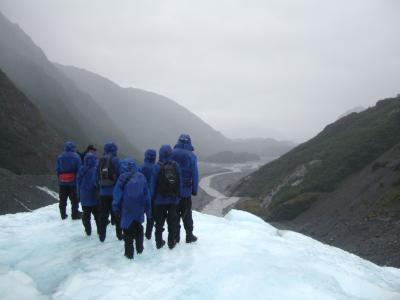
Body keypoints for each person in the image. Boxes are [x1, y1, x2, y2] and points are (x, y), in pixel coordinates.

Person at [113, 158, 151, 260]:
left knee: (128, 231)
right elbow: (147, 195)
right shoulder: (141, 177)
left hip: (126, 208)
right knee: (138, 227)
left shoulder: (122, 178)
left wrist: (115, 207)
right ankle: (140, 249)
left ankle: (129, 254)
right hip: (139, 207)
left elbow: (117, 195)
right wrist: (148, 211)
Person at [150, 145, 182, 249]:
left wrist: (152, 198)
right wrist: (178, 196)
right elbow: (179, 182)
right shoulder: (176, 165)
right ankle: (171, 242)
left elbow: (152, 184)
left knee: (159, 223)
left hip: (159, 200)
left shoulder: (157, 166)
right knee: (172, 222)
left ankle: (159, 242)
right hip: (173, 200)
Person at [170, 134, 199, 243]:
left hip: (173, 190)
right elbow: (195, 174)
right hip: (186, 192)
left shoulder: (172, 153)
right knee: (187, 214)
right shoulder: (191, 156)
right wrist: (194, 190)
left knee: (175, 214)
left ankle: (176, 237)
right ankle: (189, 236)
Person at [97, 142, 121, 242]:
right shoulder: (116, 160)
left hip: (103, 192)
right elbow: (120, 176)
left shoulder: (100, 160)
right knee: (117, 214)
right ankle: (119, 235)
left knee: (103, 214)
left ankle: (102, 235)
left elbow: (96, 176)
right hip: (114, 192)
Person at [55, 141, 82, 220]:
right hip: (73, 182)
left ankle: (63, 214)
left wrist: (60, 179)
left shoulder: (60, 157)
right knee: (74, 200)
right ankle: (75, 214)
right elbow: (79, 170)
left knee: (62, 199)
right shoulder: (76, 157)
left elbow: (57, 169)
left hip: (62, 182)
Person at [76, 153, 100, 236]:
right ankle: (99, 230)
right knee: (97, 214)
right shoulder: (96, 169)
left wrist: (78, 194)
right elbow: (97, 183)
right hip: (94, 196)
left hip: (84, 196)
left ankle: (88, 230)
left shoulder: (81, 169)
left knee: (86, 215)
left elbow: (78, 183)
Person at [140, 149, 157, 240]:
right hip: (152, 196)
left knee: (139, 213)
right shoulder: (156, 167)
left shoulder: (141, 167)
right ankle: (148, 234)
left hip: (141, 194)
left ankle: (137, 231)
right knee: (150, 216)